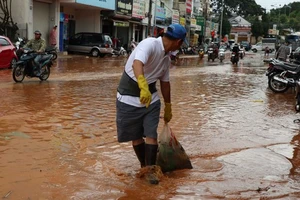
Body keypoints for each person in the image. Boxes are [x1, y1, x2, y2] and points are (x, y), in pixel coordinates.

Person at [116, 24, 187, 185]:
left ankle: (150, 170)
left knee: (151, 134)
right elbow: (137, 63)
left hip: (151, 99)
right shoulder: (150, 44)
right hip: (128, 96)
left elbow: (165, 83)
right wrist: (142, 85)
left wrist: (168, 105)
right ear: (178, 42)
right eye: (181, 44)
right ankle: (144, 166)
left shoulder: (166, 59)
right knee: (135, 136)